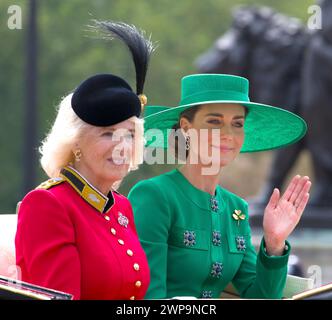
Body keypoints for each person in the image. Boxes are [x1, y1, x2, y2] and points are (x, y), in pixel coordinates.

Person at [128, 73, 312, 299]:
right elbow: (147, 295)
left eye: (237, 124)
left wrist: (274, 243)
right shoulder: (155, 196)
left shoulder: (236, 208)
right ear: (186, 128)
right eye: (214, 122)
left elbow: (260, 296)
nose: (227, 135)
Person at [15, 21, 155, 300]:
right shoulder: (47, 205)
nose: (121, 146)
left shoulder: (122, 207)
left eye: (128, 134)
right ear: (75, 142)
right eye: (107, 134)